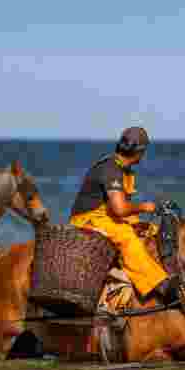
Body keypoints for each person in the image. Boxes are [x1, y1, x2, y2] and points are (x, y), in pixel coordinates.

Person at [69, 127, 172, 299]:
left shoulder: (122, 168)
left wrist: (137, 221)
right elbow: (120, 208)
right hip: (88, 220)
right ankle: (158, 283)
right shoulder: (111, 169)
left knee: (150, 229)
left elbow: (115, 209)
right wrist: (145, 207)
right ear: (140, 152)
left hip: (105, 216)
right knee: (126, 237)